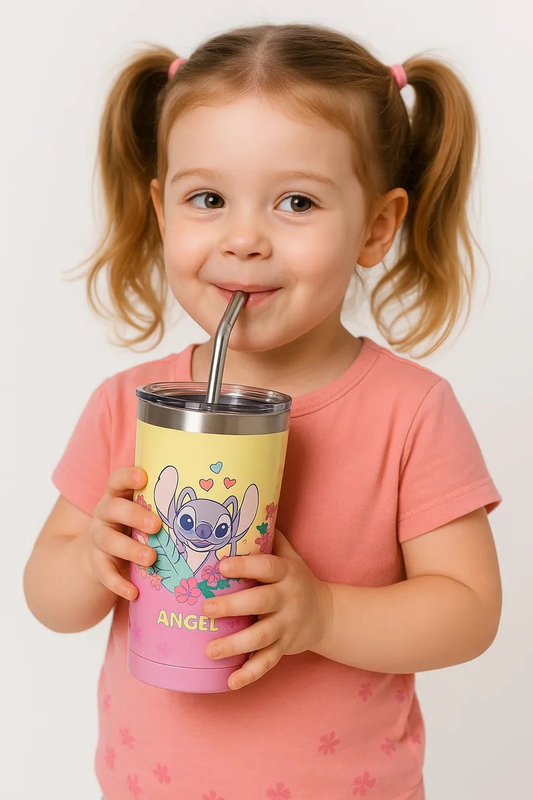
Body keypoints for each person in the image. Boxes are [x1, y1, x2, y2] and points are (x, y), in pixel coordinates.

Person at [23, 22, 502, 800]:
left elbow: (468, 612)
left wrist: (324, 615)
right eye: (207, 198)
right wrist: (89, 560)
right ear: (161, 209)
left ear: (375, 227)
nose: (243, 239)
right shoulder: (126, 405)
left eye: (296, 201)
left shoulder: (410, 412)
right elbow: (47, 597)